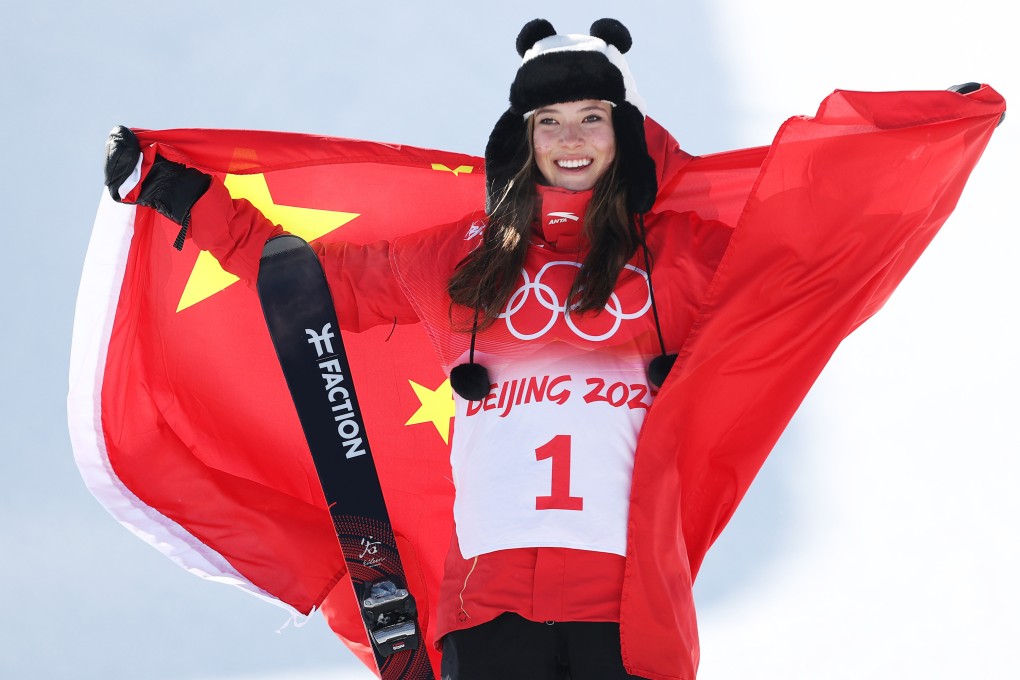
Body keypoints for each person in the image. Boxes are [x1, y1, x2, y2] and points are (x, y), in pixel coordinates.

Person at [100, 17, 1004, 680]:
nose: (571, 140)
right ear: (521, 141)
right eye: (550, 123)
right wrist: (180, 193)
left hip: (627, 613)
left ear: (626, 135)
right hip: (485, 611)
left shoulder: (682, 263)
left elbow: (810, 269)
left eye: (591, 119)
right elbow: (309, 284)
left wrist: (916, 142)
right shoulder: (456, 262)